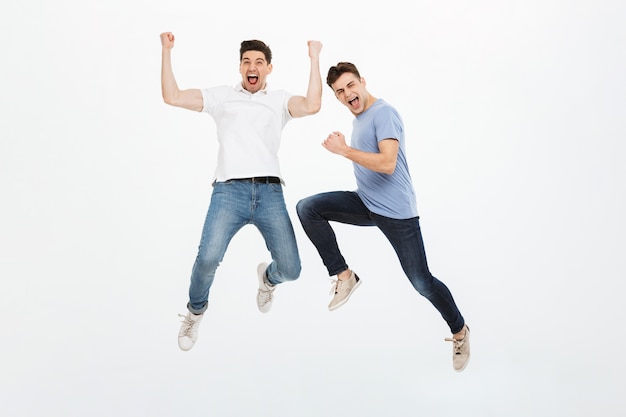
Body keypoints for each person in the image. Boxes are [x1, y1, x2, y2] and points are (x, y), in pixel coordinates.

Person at [295, 62, 470, 372]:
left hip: (398, 214)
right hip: (367, 203)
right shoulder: (359, 120)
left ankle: (459, 330)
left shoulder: (384, 113)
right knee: (308, 208)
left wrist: (344, 150)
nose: (347, 94)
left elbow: (388, 163)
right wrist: (347, 147)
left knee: (422, 282)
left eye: (350, 85)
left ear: (362, 81)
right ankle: (344, 276)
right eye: (339, 92)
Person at [160, 32, 322, 351]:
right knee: (207, 259)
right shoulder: (222, 97)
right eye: (247, 62)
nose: (252, 66)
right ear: (240, 68)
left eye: (259, 62)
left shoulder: (279, 101)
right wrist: (166, 51)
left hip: (269, 193)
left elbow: (313, 104)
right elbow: (173, 96)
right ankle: (195, 311)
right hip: (228, 192)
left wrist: (314, 58)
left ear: (268, 69)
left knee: (291, 269)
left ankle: (268, 280)